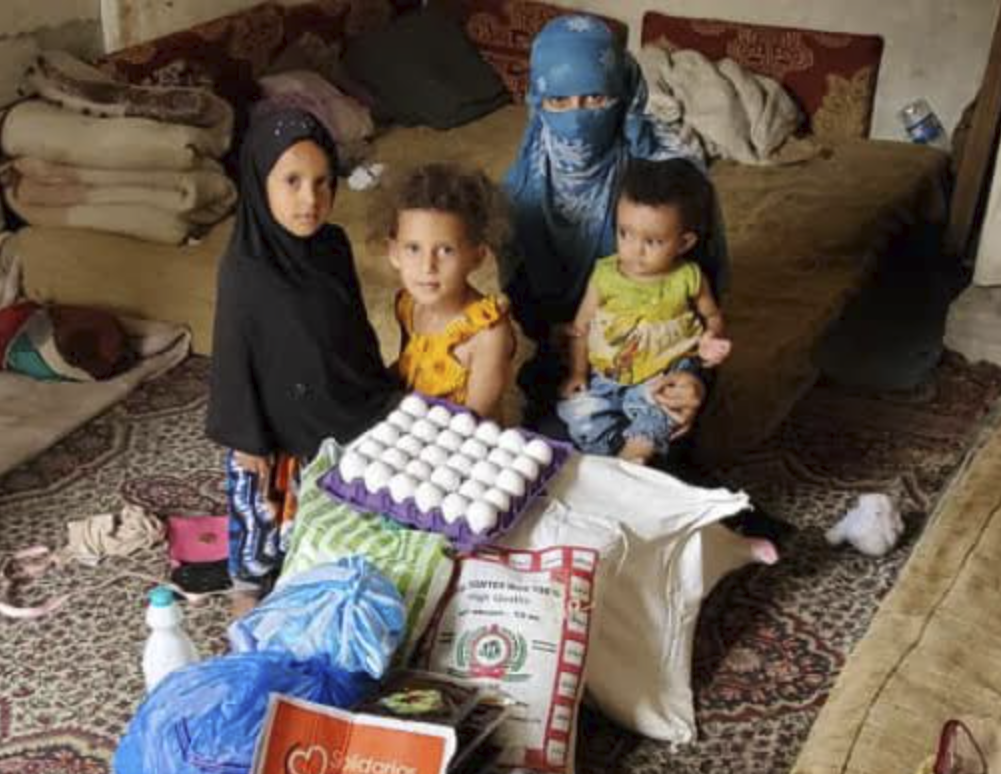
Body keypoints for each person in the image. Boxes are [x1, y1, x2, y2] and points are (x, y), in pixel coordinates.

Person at [207, 108, 400, 609]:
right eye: (291, 181)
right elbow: (232, 355)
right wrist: (247, 439)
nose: (309, 200)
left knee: (341, 529)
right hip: (276, 431)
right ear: (258, 181)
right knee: (261, 543)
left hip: (336, 403)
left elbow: (353, 327)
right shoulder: (247, 268)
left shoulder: (332, 245)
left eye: (321, 182)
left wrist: (377, 392)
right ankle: (244, 605)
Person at [502, 14, 726, 434]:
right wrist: (565, 342)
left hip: (667, 353)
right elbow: (523, 299)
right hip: (576, 356)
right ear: (537, 101)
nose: (578, 117)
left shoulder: (673, 178)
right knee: (546, 456)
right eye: (559, 102)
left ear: (623, 95)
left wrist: (693, 373)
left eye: (595, 99)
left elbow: (703, 298)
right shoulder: (519, 191)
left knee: (656, 444)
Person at [559, 157, 732, 464]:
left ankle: (636, 454)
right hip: (609, 373)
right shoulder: (605, 275)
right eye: (624, 233)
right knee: (582, 411)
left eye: (652, 241)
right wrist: (577, 371)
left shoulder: (689, 277)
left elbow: (712, 316)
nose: (634, 250)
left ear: (684, 242)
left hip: (664, 371)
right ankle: (606, 455)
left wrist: (711, 338)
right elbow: (580, 328)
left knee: (661, 407)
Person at [376, 163, 518, 422]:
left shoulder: (488, 335)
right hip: (414, 426)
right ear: (394, 253)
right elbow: (412, 369)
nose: (427, 266)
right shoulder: (407, 305)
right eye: (413, 248)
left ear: (477, 257)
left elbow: (473, 422)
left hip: (464, 446)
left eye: (445, 250)